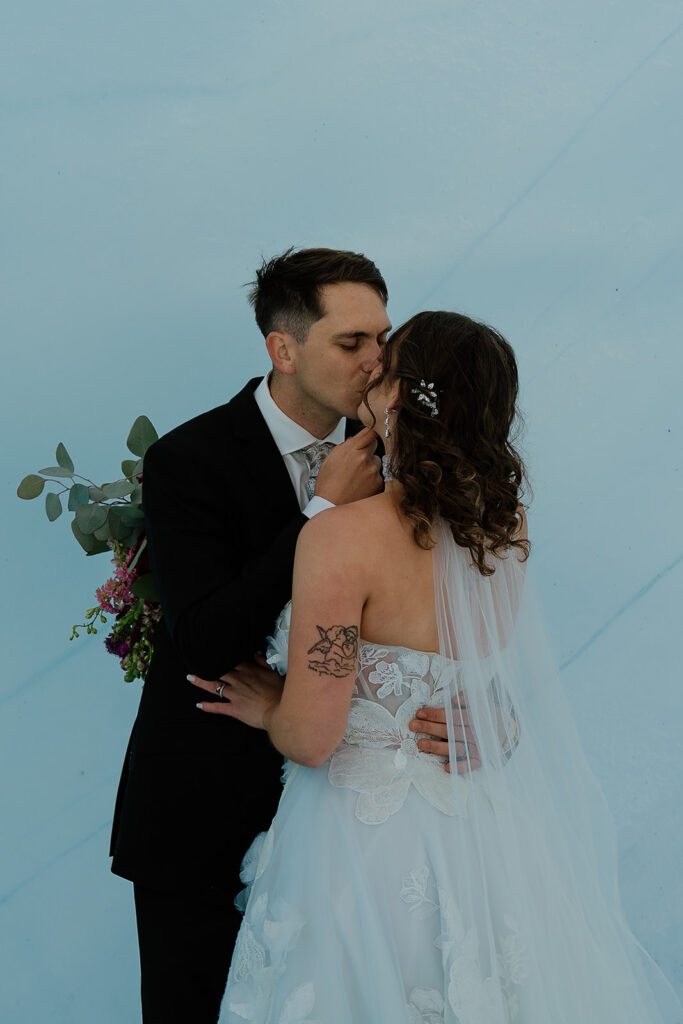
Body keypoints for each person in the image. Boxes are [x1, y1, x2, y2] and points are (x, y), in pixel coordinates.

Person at [191, 311, 683, 1022]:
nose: (368, 370)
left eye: (382, 362)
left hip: (359, 844)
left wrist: (267, 704)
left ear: (394, 398)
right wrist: (499, 725)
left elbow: (312, 738)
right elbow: (477, 671)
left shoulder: (339, 537)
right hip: (479, 831)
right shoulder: (502, 525)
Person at [110, 247, 399, 1023]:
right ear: (283, 347)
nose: (376, 362)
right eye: (351, 344)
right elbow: (202, 639)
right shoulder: (187, 460)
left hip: (351, 814)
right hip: (200, 808)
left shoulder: (403, 461)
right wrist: (320, 516)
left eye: (383, 340)